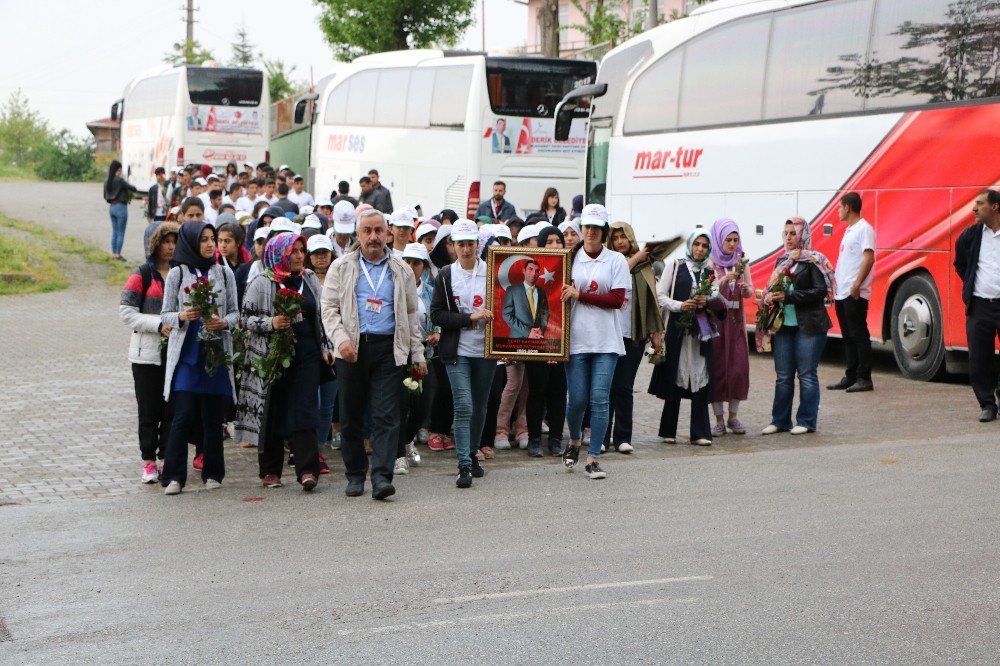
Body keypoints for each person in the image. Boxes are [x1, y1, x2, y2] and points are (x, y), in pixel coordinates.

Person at [321, 209, 426, 500]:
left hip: (388, 349)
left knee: (386, 416)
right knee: (352, 416)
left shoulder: (401, 269)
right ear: (358, 235)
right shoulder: (341, 267)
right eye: (367, 231)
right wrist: (341, 341)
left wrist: (417, 354)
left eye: (379, 230)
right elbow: (328, 310)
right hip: (351, 348)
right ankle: (355, 475)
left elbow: (410, 314)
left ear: (388, 233)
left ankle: (381, 477)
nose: (373, 236)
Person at [237, 234, 334, 491]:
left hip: (308, 355)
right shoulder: (262, 282)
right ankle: (270, 470)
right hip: (272, 356)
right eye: (293, 251)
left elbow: (322, 316)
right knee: (273, 409)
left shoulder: (309, 279)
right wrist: (272, 323)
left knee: (305, 408)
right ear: (279, 254)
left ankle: (307, 470)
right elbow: (245, 319)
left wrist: (326, 347)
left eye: (302, 250)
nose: (300, 256)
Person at [158, 222, 239, 495]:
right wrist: (182, 316)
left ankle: (214, 473)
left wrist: (223, 323)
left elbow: (235, 314)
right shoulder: (177, 274)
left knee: (212, 417)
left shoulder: (224, 273)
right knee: (182, 415)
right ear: (191, 242)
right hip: (186, 355)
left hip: (215, 354)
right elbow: (165, 314)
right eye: (203, 239)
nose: (209, 244)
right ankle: (173, 477)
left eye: (212, 239)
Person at [560, 204, 630, 479]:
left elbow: (617, 299)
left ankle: (594, 458)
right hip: (576, 340)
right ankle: (575, 440)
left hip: (606, 341)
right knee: (577, 400)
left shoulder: (616, 261)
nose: (590, 232)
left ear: (604, 231)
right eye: (587, 227)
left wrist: (580, 295)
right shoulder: (569, 259)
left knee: (600, 400)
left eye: (596, 228)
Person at [430, 220, 494, 487]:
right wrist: (469, 318)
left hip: (486, 349)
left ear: (478, 244)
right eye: (461, 244)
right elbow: (438, 314)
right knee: (464, 405)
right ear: (453, 246)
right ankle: (464, 465)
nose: (466, 250)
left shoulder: (491, 272)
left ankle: (472, 452)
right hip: (457, 350)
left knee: (479, 406)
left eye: (470, 244)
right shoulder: (446, 275)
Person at [759, 218, 837, 435]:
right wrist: (770, 297)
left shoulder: (813, 261)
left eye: (793, 233)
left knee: (806, 374)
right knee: (783, 376)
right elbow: (773, 288)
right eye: (786, 233)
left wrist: (789, 296)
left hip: (810, 325)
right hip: (784, 325)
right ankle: (780, 420)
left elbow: (820, 292)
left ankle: (806, 420)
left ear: (803, 234)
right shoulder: (782, 260)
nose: (789, 238)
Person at [649, 230, 723, 447]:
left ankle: (700, 431)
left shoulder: (710, 271)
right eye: (696, 244)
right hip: (677, 330)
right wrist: (680, 306)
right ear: (690, 245)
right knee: (675, 374)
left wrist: (705, 302)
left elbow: (716, 297)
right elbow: (660, 296)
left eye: (703, 245)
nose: (699, 249)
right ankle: (668, 430)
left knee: (701, 376)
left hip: (701, 332)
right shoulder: (676, 265)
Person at [120, 222, 179, 483]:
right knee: (148, 410)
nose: (170, 247)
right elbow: (127, 313)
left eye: (174, 241)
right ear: (154, 244)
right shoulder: (141, 275)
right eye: (165, 241)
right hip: (146, 355)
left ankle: (167, 458)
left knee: (170, 410)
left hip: (175, 354)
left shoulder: (181, 274)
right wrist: (158, 325)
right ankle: (148, 461)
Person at [603, 221, 664, 453]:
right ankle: (602, 436)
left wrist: (656, 333)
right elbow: (609, 281)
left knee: (624, 387)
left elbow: (651, 303)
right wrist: (637, 258)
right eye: (615, 237)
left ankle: (622, 438)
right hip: (608, 335)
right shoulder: (608, 263)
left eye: (623, 237)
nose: (620, 242)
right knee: (606, 387)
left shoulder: (643, 267)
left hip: (633, 336)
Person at [954, 189, 1000, 422]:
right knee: (979, 358)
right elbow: (960, 264)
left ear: (995, 207)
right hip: (980, 305)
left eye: (980, 204)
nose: (974, 208)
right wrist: (972, 285)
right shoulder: (970, 236)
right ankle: (987, 404)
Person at [524, 225, 569, 457]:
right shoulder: (535, 272)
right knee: (537, 390)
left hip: (562, 340)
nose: (554, 246)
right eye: (549, 242)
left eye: (558, 241)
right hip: (539, 341)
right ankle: (533, 439)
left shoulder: (568, 268)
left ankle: (555, 438)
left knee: (559, 391)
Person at [707, 218, 754, 437]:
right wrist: (723, 281)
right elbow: (707, 290)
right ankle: (718, 419)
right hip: (717, 320)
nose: (733, 245)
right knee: (717, 368)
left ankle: (733, 416)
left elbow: (751, 290)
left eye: (736, 240)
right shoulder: (710, 263)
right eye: (728, 240)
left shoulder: (742, 261)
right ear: (719, 240)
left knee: (738, 368)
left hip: (736, 321)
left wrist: (745, 289)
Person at [828, 192, 875, 393]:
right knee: (847, 336)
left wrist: (856, 285)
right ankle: (851, 375)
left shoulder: (864, 229)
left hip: (853, 292)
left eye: (839, 207)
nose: (838, 211)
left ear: (848, 207)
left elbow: (869, 258)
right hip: (842, 291)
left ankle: (864, 377)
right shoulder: (849, 231)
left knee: (858, 334)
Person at [306, 234, 340, 461]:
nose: (320, 257)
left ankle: (318, 448)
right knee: (311, 400)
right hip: (311, 348)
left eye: (324, 252)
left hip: (335, 346)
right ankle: (305, 447)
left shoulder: (340, 276)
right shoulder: (304, 278)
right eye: (316, 253)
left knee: (328, 403)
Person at [502, 259, 549, 339]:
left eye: (536, 271)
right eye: (530, 269)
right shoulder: (512, 290)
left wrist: (541, 329)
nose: (533, 274)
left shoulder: (542, 292)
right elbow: (507, 315)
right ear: (524, 271)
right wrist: (528, 332)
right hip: (517, 339)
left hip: (538, 338)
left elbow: (545, 313)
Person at [103, 159, 139, 260]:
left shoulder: (107, 181)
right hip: (121, 208)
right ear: (118, 169)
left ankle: (113, 253)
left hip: (112, 208)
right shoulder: (120, 180)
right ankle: (118, 255)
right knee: (121, 232)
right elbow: (133, 188)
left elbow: (105, 196)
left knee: (114, 231)